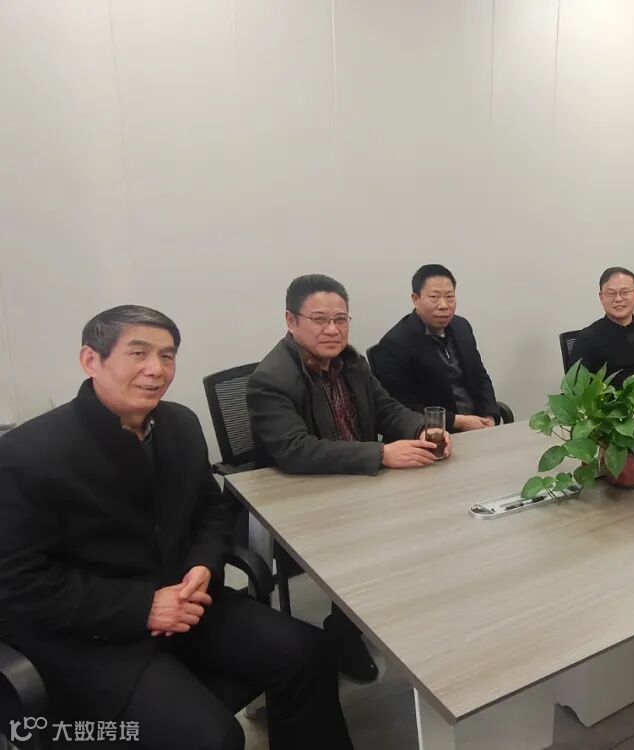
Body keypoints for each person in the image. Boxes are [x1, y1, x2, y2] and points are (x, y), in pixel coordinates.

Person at [0, 305, 352, 750]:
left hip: (187, 605)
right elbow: (18, 583)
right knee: (213, 737)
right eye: (138, 353)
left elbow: (210, 511)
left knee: (309, 652)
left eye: (167, 356)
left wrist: (203, 564)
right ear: (91, 360)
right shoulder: (28, 453)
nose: (156, 369)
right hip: (93, 635)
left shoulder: (179, 424)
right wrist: (143, 607)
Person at [247, 273, 448, 683]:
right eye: (320, 320)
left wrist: (422, 429)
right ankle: (343, 631)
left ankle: (403, 618)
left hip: (359, 481)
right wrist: (381, 454)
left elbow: (387, 409)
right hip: (307, 497)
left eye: (341, 319)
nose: (332, 330)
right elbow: (295, 450)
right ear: (291, 320)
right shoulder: (270, 380)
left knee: (433, 519)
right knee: (381, 541)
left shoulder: (353, 363)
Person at [371, 264, 501, 432]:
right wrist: (457, 421)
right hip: (433, 433)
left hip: (478, 426)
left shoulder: (461, 326)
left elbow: (480, 376)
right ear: (415, 299)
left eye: (450, 297)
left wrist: (489, 415)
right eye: (434, 297)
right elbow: (400, 407)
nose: (444, 305)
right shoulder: (394, 343)